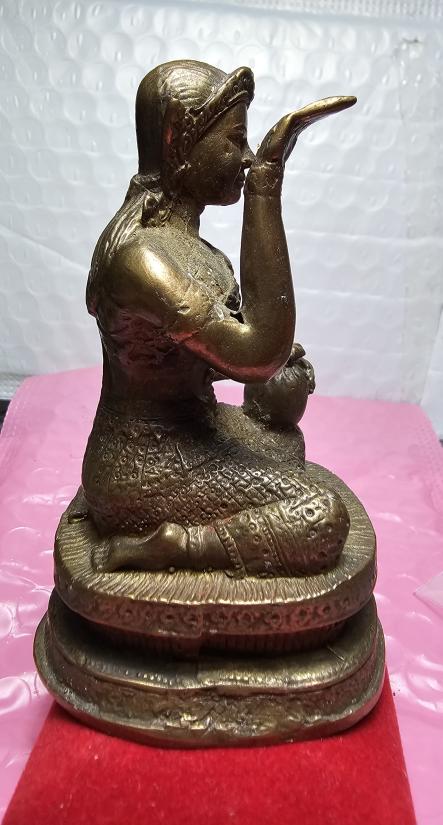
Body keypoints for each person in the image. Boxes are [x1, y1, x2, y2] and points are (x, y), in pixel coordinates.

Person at [82, 60, 354, 577]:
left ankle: (189, 534)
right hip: (143, 464)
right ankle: (177, 546)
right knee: (322, 517)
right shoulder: (143, 260)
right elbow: (258, 353)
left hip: (194, 427)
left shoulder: (202, 255)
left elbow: (229, 358)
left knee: (286, 444)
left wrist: (278, 370)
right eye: (234, 141)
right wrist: (265, 189)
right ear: (179, 144)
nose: (245, 158)